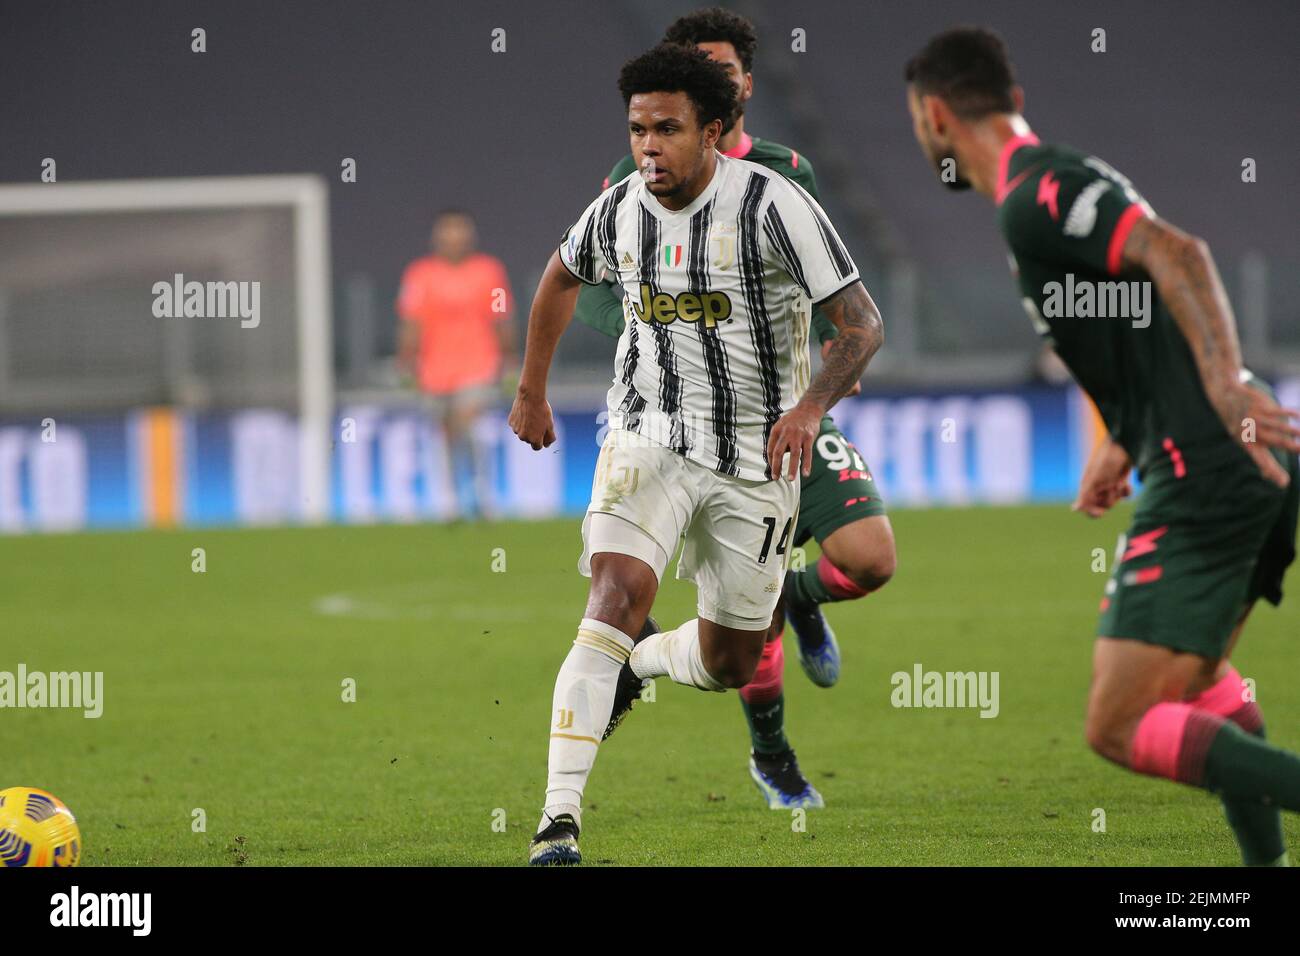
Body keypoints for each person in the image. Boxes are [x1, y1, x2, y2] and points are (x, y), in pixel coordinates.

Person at [905, 26, 1300, 865]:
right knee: (1196, 688)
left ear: (936, 115)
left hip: (1210, 463)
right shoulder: (1046, 191)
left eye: (917, 123)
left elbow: (1175, 251)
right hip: (1223, 459)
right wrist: (1124, 432)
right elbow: (1136, 312)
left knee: (1117, 723)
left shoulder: (1035, 191)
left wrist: (1226, 383)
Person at [511, 43, 884, 865]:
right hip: (647, 437)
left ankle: (637, 664)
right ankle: (557, 823)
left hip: (755, 460)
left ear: (712, 131)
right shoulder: (617, 208)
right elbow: (560, 275)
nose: (649, 147)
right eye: (639, 128)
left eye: (668, 129)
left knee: (728, 660)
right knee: (612, 593)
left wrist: (810, 407)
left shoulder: (775, 205)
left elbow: (862, 324)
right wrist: (532, 388)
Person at [396, 209, 515, 519]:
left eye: (460, 231)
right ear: (437, 237)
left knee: (471, 423)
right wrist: (406, 362)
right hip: (434, 370)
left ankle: (481, 492)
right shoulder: (419, 274)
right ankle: (449, 499)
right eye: (448, 231)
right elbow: (411, 322)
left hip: (479, 365)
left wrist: (510, 361)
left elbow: (502, 319)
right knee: (445, 433)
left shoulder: (490, 271)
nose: (454, 238)